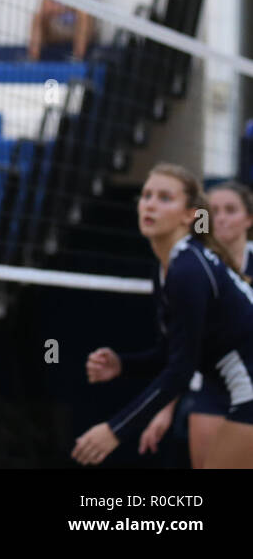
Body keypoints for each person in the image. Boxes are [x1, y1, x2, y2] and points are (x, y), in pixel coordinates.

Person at [74, 164, 253, 468]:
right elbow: (173, 353)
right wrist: (123, 365)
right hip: (230, 386)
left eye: (165, 198)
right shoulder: (168, 267)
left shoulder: (189, 270)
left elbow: (181, 370)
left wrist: (115, 430)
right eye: (146, 195)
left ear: (190, 215)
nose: (151, 204)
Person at [137, 179, 253, 468]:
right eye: (213, 210)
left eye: (230, 210)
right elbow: (182, 349)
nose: (221, 218)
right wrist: (164, 410)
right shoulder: (190, 266)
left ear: (248, 218)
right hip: (211, 388)